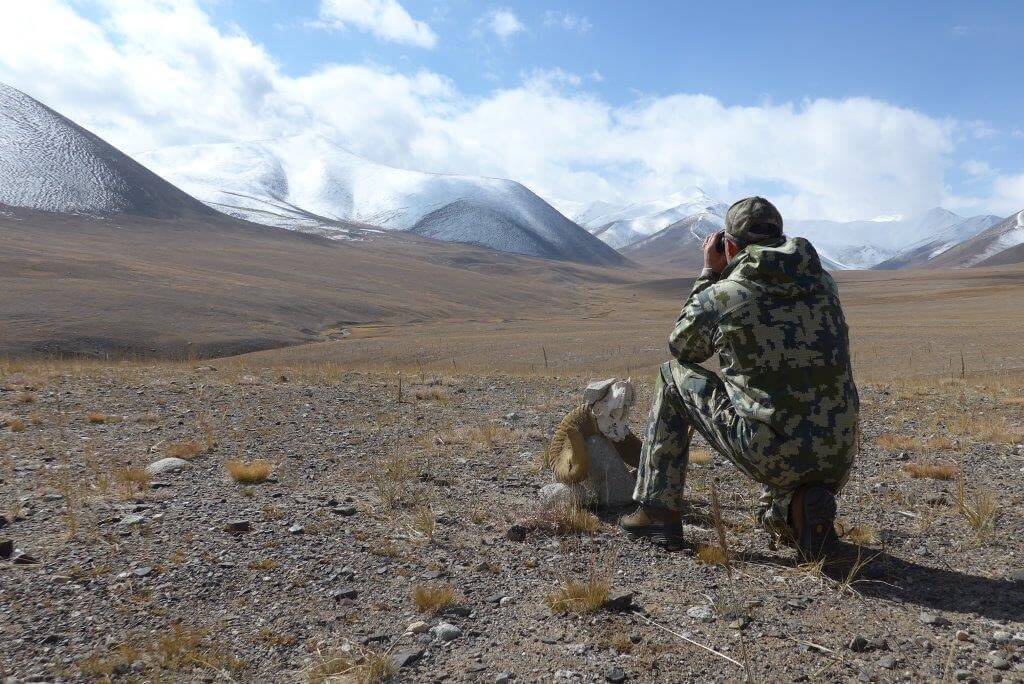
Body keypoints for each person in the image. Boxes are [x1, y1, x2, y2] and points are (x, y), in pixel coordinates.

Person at [619, 196, 859, 560]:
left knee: (672, 377)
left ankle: (657, 512)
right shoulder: (824, 284)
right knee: (786, 415)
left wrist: (709, 273)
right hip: (838, 450)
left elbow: (683, 347)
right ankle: (795, 511)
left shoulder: (726, 294)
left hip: (773, 449)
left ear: (729, 245)